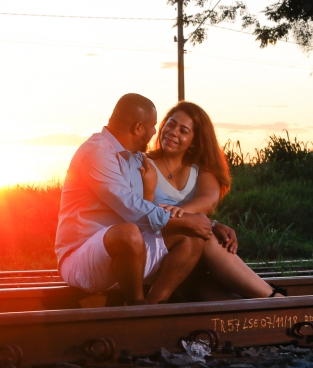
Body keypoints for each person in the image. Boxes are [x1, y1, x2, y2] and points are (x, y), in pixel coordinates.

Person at [55, 93, 217, 305]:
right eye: (152, 126)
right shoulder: (96, 153)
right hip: (81, 261)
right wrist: (187, 219)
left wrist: (210, 224)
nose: (154, 132)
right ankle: (136, 305)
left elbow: (158, 209)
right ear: (138, 128)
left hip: (129, 255)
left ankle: (154, 307)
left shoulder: (137, 158)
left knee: (190, 235)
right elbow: (131, 208)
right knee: (128, 232)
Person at [144, 101, 284, 299]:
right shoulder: (144, 163)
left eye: (183, 130)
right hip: (160, 244)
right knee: (204, 233)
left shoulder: (201, 169)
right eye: (171, 124)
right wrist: (205, 223)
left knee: (224, 299)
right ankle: (275, 299)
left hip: (192, 253)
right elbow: (141, 210)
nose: (173, 132)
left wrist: (203, 221)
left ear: (194, 140)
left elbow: (208, 201)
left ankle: (272, 308)